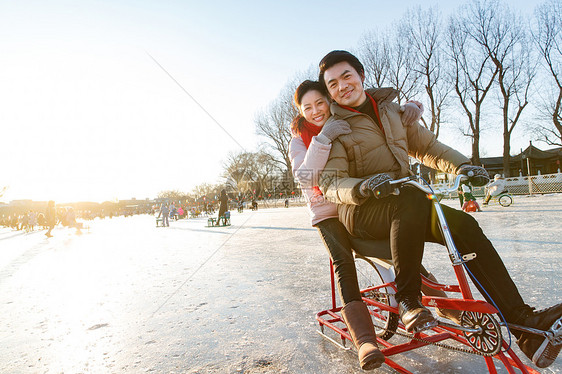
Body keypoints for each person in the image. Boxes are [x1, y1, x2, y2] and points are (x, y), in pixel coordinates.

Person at [317, 50, 561, 368]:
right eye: (332, 83)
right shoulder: (337, 128)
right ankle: (408, 300)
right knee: (411, 197)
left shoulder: (392, 112)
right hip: (362, 213)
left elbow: (429, 148)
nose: (341, 86)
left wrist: (463, 166)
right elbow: (331, 183)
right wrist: (362, 187)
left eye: (346, 76)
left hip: (405, 203)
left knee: (462, 225)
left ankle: (522, 323)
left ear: (361, 75)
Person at [289, 80, 454, 370]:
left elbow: (378, 125)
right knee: (344, 263)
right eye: (308, 108)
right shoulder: (301, 140)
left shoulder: (346, 120)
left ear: (329, 100)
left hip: (359, 205)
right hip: (329, 213)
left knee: (399, 244)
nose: (316, 111)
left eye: (320, 103)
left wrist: (409, 109)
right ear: (301, 113)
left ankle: (447, 308)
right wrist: (323, 138)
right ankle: (365, 340)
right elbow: (306, 178)